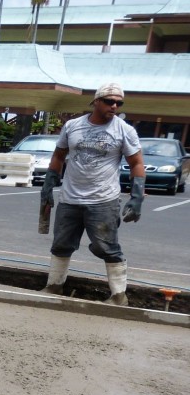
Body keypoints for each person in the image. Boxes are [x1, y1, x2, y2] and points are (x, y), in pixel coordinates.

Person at [40, 82, 145, 306]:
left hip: (103, 200)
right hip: (70, 198)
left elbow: (136, 163)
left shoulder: (124, 130)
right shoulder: (72, 126)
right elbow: (59, 156)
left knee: (106, 247)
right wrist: (48, 184)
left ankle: (118, 296)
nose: (114, 106)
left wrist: (137, 196)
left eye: (119, 102)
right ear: (96, 101)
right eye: (109, 101)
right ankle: (54, 285)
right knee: (61, 244)